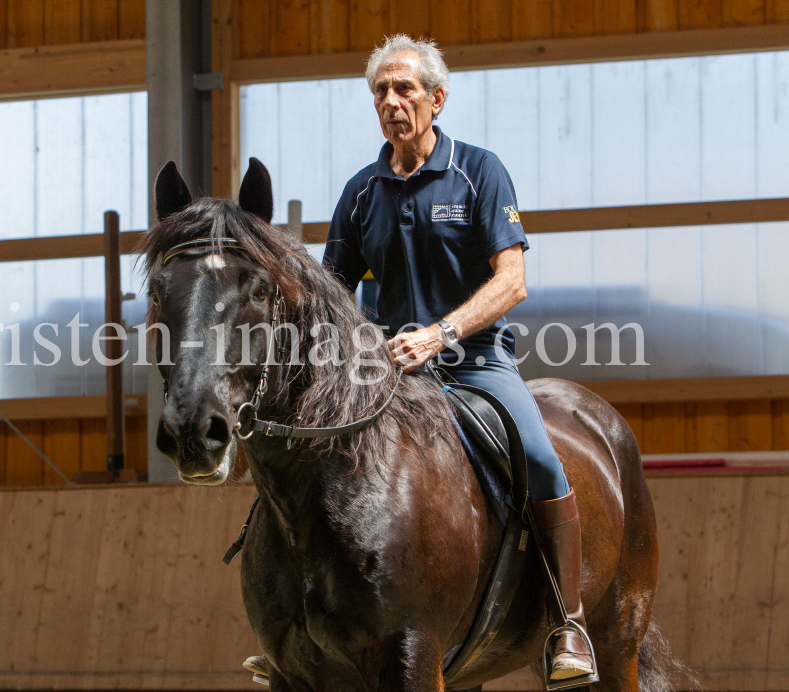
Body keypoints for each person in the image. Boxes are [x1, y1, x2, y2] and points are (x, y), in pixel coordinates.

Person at [244, 34, 594, 685]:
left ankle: (567, 621)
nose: (391, 101)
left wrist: (440, 334)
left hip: (475, 365)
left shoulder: (479, 172)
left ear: (437, 98)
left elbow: (511, 281)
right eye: (380, 90)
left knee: (541, 457)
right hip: (384, 376)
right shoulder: (359, 192)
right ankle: (293, 625)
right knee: (300, 461)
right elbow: (332, 296)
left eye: (404, 88)